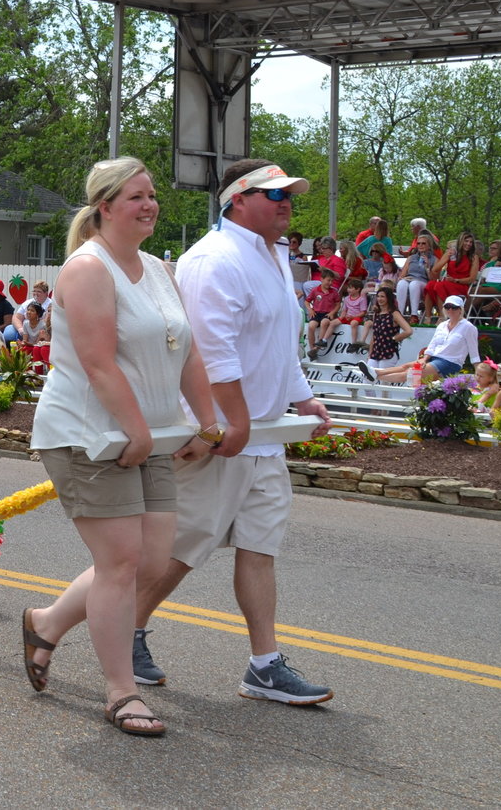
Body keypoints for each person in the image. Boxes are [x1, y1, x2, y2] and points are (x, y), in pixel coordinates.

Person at [22, 157, 221, 738]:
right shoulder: (87, 270)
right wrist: (136, 429)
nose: (149, 204)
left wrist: (205, 424)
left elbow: (185, 351)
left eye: (152, 195)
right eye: (136, 196)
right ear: (105, 207)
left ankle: (47, 622)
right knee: (120, 563)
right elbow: (97, 363)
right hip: (89, 436)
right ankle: (121, 693)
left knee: (150, 561)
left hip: (149, 435)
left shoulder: (161, 269)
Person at [133, 158, 334, 706]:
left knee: (259, 545)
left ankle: (264, 666)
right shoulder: (214, 259)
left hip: (262, 434)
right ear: (237, 201)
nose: (287, 202)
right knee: (180, 548)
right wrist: (228, 423)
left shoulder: (272, 258)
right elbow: (211, 353)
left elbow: (280, 345)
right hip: (219, 433)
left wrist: (302, 397)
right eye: (275, 195)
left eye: (290, 194)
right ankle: (123, 630)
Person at [426, 229, 478, 313]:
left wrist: (456, 280)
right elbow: (435, 270)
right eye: (466, 241)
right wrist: (447, 256)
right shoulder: (452, 254)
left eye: (471, 242)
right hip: (448, 282)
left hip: (461, 284)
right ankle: (427, 317)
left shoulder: (473, 257)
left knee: (439, 286)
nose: (468, 244)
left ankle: (442, 316)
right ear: (461, 241)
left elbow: (471, 279)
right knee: (430, 285)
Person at [397, 232, 439, 323]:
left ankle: (414, 315)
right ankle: (399, 314)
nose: (420, 245)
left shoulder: (434, 259)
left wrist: (428, 267)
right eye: (418, 243)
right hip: (410, 279)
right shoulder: (411, 258)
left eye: (423, 243)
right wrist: (403, 278)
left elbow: (434, 280)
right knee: (401, 283)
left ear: (429, 245)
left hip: (423, 282)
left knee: (414, 284)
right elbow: (402, 275)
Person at [303, 268, 341, 355]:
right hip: (317, 312)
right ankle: (312, 348)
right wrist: (310, 310)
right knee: (311, 326)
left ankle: (318, 346)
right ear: (322, 279)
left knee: (324, 322)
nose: (330, 283)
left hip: (327, 313)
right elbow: (307, 301)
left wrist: (332, 313)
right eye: (328, 280)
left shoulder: (334, 292)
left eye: (332, 281)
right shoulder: (315, 290)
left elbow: (338, 304)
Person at [327, 277, 370, 351]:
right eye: (348, 288)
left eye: (351, 288)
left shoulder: (362, 299)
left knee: (353, 323)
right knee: (333, 323)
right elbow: (344, 310)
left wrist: (353, 316)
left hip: (357, 317)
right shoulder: (346, 298)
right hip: (347, 317)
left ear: (358, 289)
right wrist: (343, 315)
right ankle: (324, 340)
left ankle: (353, 343)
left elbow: (363, 312)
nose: (348, 290)